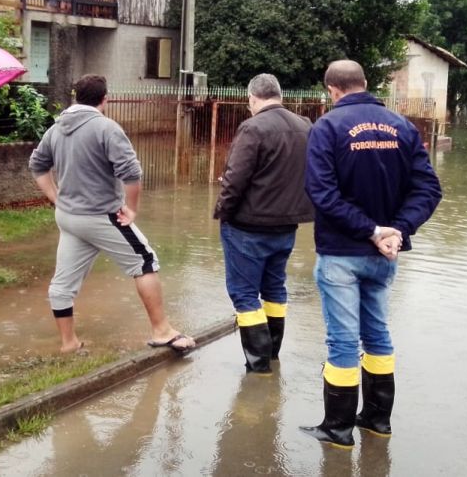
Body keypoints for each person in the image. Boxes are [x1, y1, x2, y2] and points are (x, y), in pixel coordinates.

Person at [299, 60, 442, 447]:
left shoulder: (327, 128)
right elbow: (429, 189)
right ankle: (378, 420)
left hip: (342, 252)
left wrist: (373, 230)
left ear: (331, 89)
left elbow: (322, 194)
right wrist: (399, 230)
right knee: (377, 334)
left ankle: (338, 427)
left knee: (343, 341)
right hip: (385, 255)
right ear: (365, 84)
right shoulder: (403, 127)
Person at [29, 74, 196, 355]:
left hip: (69, 218)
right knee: (145, 261)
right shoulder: (106, 128)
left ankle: (69, 343)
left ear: (76, 97)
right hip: (100, 216)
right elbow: (131, 173)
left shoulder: (56, 129)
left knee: (63, 282)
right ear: (104, 99)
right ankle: (162, 331)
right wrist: (131, 209)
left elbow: (37, 166)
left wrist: (56, 198)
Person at [213, 73, 314, 373]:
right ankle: (272, 354)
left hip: (248, 226)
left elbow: (235, 179)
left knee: (244, 294)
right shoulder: (304, 126)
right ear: (279, 95)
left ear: (253, 98)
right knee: (274, 289)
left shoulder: (253, 128)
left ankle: (258, 366)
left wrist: (222, 211)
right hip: (286, 227)